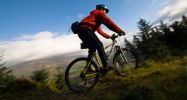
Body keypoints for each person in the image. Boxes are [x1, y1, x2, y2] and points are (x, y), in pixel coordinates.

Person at [78, 4, 125, 75]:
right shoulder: (99, 12)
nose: (105, 13)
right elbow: (109, 22)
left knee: (92, 49)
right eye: (105, 11)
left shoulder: (94, 19)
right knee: (99, 45)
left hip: (81, 32)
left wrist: (109, 37)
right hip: (86, 30)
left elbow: (101, 32)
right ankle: (105, 66)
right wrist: (119, 31)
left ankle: (88, 69)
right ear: (101, 9)